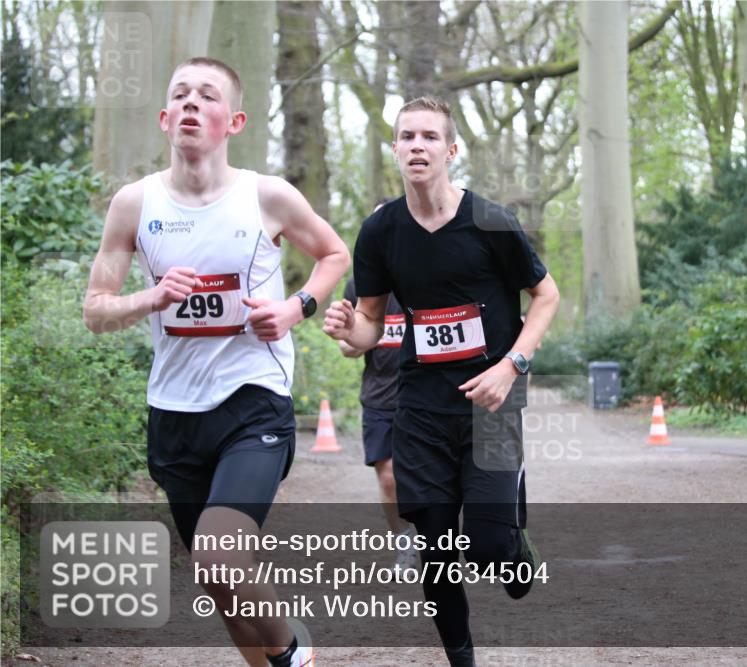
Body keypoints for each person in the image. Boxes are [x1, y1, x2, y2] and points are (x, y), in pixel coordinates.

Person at [83, 57, 349, 667]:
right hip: (174, 412)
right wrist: (151, 296)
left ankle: (293, 653)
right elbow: (96, 312)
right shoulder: (133, 204)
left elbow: (334, 254)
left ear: (233, 120)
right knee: (219, 583)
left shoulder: (268, 196)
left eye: (207, 96)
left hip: (252, 400)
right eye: (180, 95)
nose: (192, 104)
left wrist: (294, 308)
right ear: (164, 117)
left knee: (220, 554)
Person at [323, 97, 560, 667]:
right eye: (407, 137)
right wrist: (347, 329)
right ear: (396, 150)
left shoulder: (491, 222)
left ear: (451, 150)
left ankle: (511, 536)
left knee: (484, 550)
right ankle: (462, 659)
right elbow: (372, 325)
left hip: (493, 403)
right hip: (422, 409)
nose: (417, 146)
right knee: (434, 551)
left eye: (430, 137)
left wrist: (512, 366)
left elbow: (547, 297)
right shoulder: (381, 230)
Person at [338, 201, 419, 573]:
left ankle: (437, 536)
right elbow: (348, 348)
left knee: (430, 477)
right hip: (379, 397)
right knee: (388, 475)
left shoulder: (426, 277)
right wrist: (350, 339)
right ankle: (405, 542)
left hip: (424, 396)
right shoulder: (360, 284)